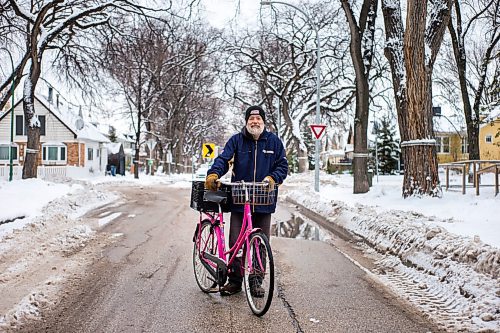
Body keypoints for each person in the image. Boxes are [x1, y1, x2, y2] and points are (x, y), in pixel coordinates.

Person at [205, 105, 288, 296]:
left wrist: (272, 178)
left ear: (263, 122)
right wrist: (214, 174)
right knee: (236, 241)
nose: (255, 121)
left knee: (261, 243)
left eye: (258, 119)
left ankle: (256, 282)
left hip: (264, 200)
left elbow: (283, 165)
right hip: (240, 200)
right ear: (246, 121)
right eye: (251, 118)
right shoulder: (237, 141)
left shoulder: (274, 142)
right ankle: (235, 281)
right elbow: (224, 160)